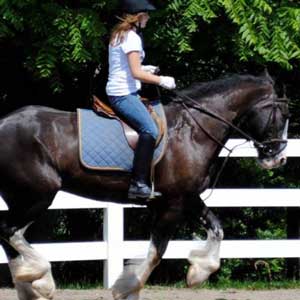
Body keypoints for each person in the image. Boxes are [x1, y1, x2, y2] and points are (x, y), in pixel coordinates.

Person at [106, 0, 176, 200]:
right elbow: (135, 73)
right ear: (136, 16)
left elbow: (124, 67)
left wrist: (146, 69)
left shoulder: (119, 35)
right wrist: (161, 80)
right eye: (145, 14)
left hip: (118, 90)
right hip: (123, 95)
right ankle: (138, 183)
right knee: (150, 129)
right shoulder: (132, 38)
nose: (148, 17)